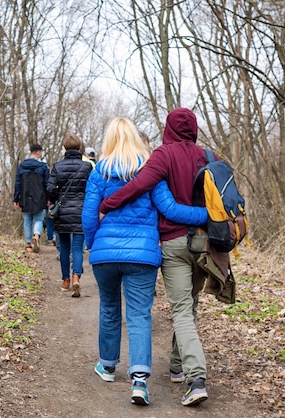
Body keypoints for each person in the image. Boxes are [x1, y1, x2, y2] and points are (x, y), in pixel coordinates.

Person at [82, 117, 207, 406]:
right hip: (143, 256)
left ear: (110, 139)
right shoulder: (149, 169)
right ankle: (139, 381)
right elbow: (170, 209)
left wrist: (93, 244)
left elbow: (89, 216)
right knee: (139, 314)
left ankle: (108, 366)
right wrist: (208, 217)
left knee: (110, 307)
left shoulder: (99, 172)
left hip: (105, 255)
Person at [46, 134, 93, 297]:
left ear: (64, 147)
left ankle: (65, 281)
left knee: (64, 248)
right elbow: (92, 189)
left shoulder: (58, 166)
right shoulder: (87, 167)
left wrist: (55, 199)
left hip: (63, 212)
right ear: (79, 147)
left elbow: (50, 189)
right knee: (78, 248)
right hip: (81, 211)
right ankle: (76, 278)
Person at [13, 143, 50, 253]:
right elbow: (47, 184)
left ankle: (28, 244)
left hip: (25, 196)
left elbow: (18, 183)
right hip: (39, 197)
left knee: (27, 220)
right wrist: (48, 198)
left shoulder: (22, 166)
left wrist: (16, 198)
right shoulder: (43, 167)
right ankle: (37, 235)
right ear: (38, 152)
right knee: (38, 219)